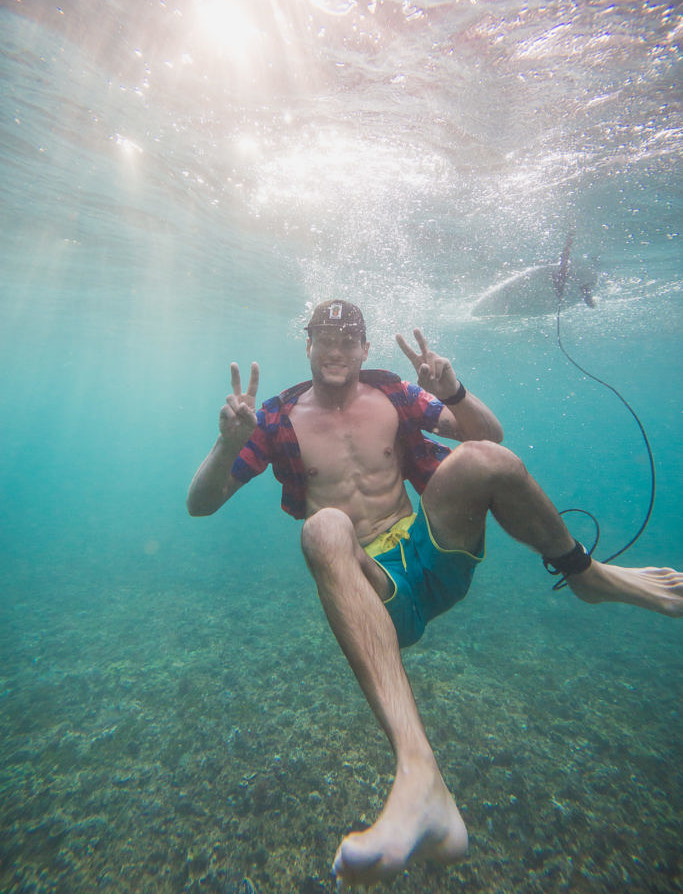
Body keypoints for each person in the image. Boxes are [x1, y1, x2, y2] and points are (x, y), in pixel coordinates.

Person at [187, 299, 682, 890]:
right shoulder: (273, 420)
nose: (339, 349)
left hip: (434, 556)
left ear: (366, 348)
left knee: (484, 459)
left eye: (351, 338)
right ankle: (419, 774)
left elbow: (491, 439)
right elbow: (202, 502)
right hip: (375, 593)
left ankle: (586, 574)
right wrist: (226, 443)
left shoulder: (393, 393)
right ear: (309, 345)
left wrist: (454, 392)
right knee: (323, 528)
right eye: (326, 337)